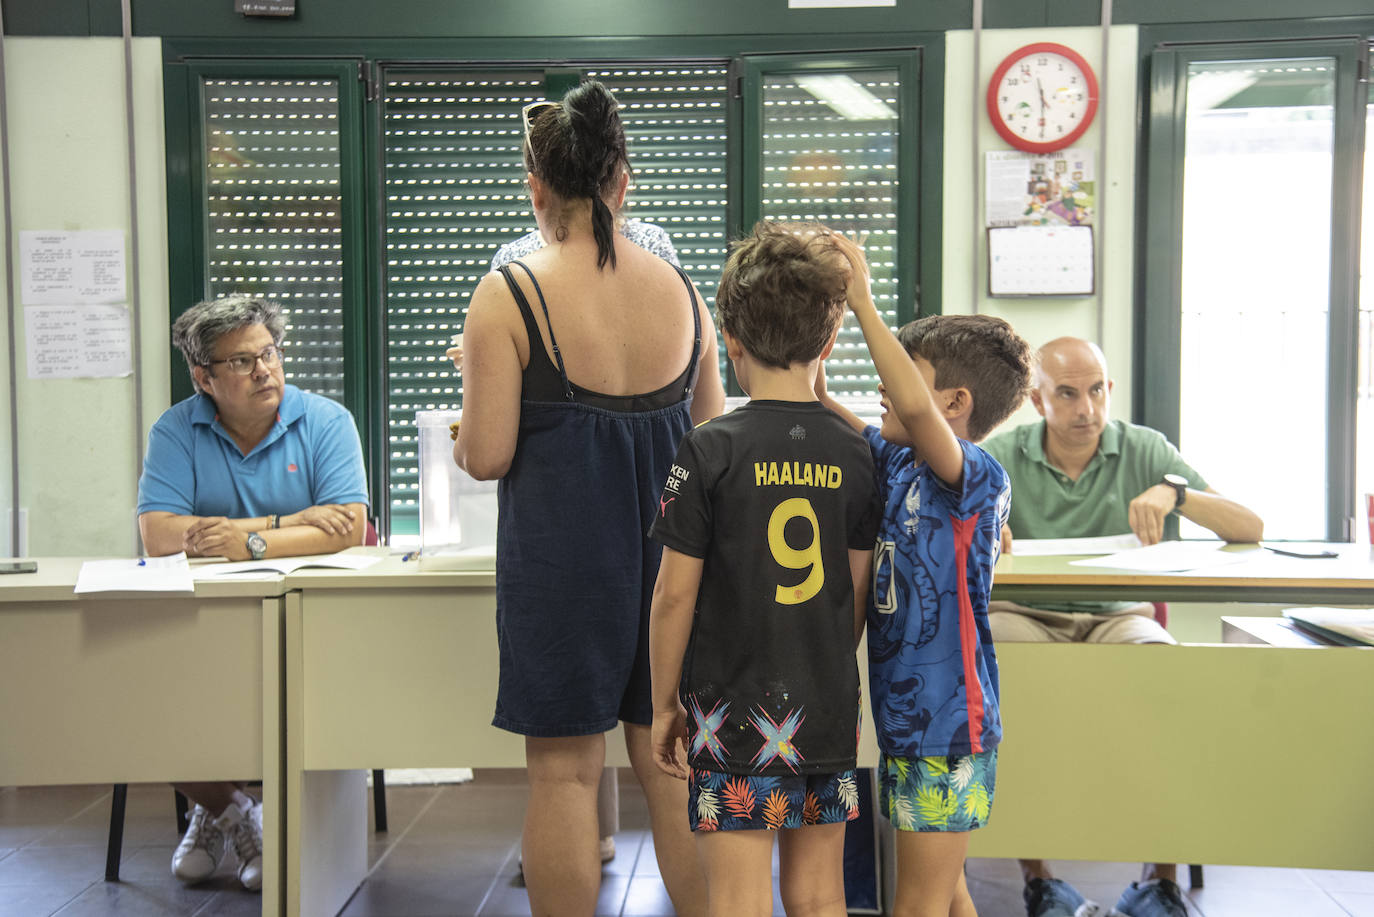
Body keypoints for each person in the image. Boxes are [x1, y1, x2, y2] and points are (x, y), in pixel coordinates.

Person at [450, 79, 723, 916]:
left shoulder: (511, 292)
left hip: (561, 561)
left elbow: (488, 454)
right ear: (622, 181)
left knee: (565, 774)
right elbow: (710, 442)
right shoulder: (683, 293)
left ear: (537, 187)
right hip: (670, 564)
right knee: (670, 759)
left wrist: (467, 422)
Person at [981, 336, 1263, 917]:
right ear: (1039, 401)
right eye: (1068, 394)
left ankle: (1159, 881)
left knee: (1171, 679)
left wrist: (1177, 493)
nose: (1086, 409)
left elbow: (1250, 527)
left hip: (1118, 618)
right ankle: (1041, 880)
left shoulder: (1144, 449)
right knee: (1003, 676)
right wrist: (986, 530)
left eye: (1097, 391)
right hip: (1025, 616)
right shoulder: (1004, 455)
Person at [647, 223, 880, 917]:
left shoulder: (707, 448)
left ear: (731, 342)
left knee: (738, 899)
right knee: (818, 895)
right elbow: (856, 593)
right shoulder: (859, 452)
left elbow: (673, 594)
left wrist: (664, 704)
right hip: (829, 710)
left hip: (729, 717)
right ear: (829, 342)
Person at [816, 236, 1034, 917]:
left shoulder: (973, 476)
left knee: (917, 902)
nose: (888, 385)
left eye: (907, 374)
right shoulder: (899, 460)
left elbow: (910, 410)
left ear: (955, 401)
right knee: (946, 891)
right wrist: (815, 379)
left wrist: (864, 303)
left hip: (949, 729)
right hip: (910, 725)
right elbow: (856, 423)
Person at [137, 294, 370, 890]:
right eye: (241, 362)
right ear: (204, 377)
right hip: (203, 623)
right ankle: (232, 809)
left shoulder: (325, 420)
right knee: (144, 693)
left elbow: (346, 527)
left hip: (312, 620)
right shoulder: (176, 428)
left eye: (268, 353)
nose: (264, 370)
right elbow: (159, 534)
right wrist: (294, 525)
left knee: (303, 699)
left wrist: (245, 536)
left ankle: (241, 814)